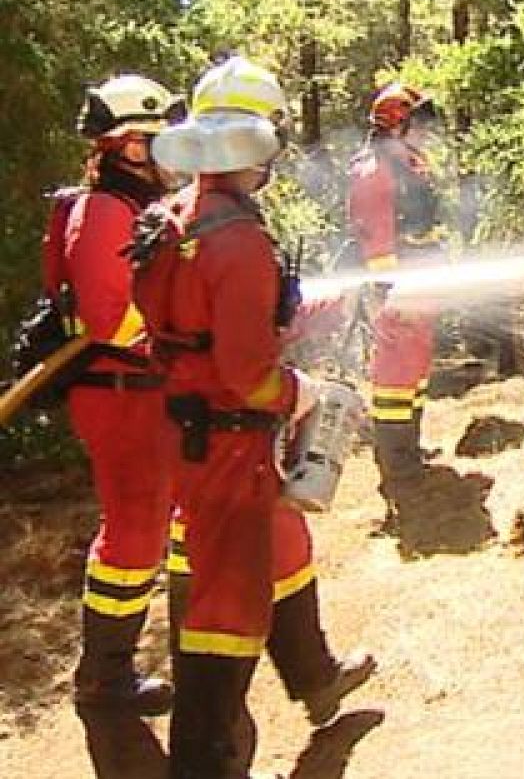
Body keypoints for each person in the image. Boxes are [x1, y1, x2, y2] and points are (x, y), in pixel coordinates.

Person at [138, 56, 374, 778]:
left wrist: (328, 305)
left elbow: (199, 330)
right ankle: (205, 765)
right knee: (225, 612)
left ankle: (316, 677)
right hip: (232, 443)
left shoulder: (172, 219)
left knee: (277, 547)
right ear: (252, 142)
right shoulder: (237, 239)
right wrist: (298, 393)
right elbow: (245, 373)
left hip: (191, 432)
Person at [53, 75, 185, 718]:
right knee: (133, 536)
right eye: (157, 144)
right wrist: (186, 339)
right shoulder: (104, 210)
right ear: (129, 145)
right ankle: (103, 678)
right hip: (117, 393)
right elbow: (112, 317)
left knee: (164, 519)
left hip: (141, 390)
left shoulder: (134, 207)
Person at [346, 82, 444, 508]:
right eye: (417, 122)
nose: (425, 130)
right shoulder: (375, 170)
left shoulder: (409, 163)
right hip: (398, 293)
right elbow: (377, 239)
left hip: (419, 287)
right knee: (395, 379)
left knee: (416, 373)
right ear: (396, 123)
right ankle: (397, 469)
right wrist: (391, 292)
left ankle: (411, 451)